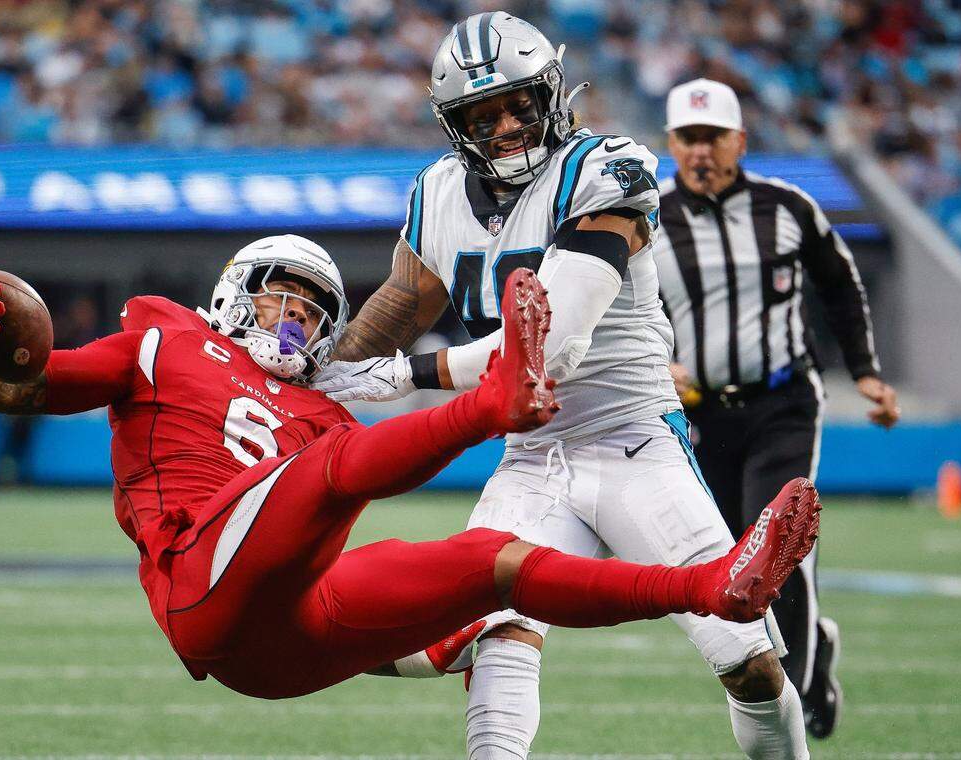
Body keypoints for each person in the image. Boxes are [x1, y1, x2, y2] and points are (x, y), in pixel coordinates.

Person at [0, 240, 820, 704]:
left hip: (283, 646)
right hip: (197, 580)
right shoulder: (161, 336)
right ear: (234, 291)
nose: (296, 319)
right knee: (338, 467)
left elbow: (337, 510)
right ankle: (501, 399)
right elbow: (20, 392)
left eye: (313, 310)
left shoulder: (325, 410)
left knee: (490, 566)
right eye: (282, 297)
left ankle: (713, 588)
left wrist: (422, 644)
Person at [313, 13, 810, 760]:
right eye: (485, 114)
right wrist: (313, 375)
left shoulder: (603, 168)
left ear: (552, 94)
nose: (508, 125)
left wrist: (391, 378)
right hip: (532, 460)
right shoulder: (439, 193)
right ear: (456, 125)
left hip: (635, 443)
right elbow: (402, 302)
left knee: (747, 660)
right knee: (500, 631)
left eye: (519, 104)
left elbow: (550, 349)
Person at [650, 77, 901, 739]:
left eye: (713, 137)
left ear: (739, 139)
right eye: (688, 138)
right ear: (671, 143)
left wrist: (867, 373)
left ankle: (797, 707)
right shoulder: (646, 217)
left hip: (784, 401)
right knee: (735, 561)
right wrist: (655, 362)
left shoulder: (786, 206)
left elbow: (841, 283)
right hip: (702, 415)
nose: (700, 150)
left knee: (779, 549)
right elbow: (620, 306)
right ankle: (813, 656)